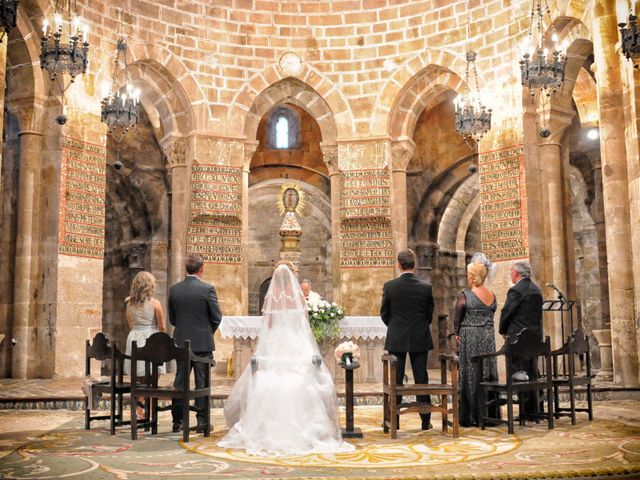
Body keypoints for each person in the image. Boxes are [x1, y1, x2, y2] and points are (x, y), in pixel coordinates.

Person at [218, 261, 354, 456]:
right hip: (296, 340)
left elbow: (269, 323)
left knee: (271, 377)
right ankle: (305, 428)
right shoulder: (297, 294)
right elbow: (304, 322)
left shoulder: (271, 296)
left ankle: (264, 428)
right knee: (300, 378)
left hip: (276, 340)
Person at [380, 249, 434, 430]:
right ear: (414, 265)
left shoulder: (390, 286)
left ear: (399, 264)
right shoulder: (425, 287)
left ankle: (394, 422)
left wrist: (396, 327)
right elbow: (429, 315)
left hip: (397, 338)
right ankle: (425, 421)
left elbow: (384, 314)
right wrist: (418, 327)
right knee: (422, 379)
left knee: (396, 380)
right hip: (420, 337)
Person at [168, 253, 222, 433]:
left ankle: (178, 422)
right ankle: (202, 422)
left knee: (180, 382)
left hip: (181, 343)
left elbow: (173, 319)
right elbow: (217, 317)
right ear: (202, 269)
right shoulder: (207, 289)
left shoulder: (174, 290)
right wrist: (207, 332)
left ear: (186, 269)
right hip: (202, 344)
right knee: (202, 384)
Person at [453, 261, 499, 427]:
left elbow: (457, 318)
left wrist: (457, 333)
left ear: (472, 277)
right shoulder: (492, 295)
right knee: (487, 369)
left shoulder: (465, 295)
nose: (467, 277)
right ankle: (489, 414)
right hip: (487, 338)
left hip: (470, 338)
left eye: (468, 275)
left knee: (470, 373)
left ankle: (469, 416)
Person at [498, 260, 543, 419]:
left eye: (511, 272)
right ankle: (535, 410)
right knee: (531, 372)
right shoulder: (536, 290)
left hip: (517, 340)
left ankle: (525, 412)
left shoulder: (516, 290)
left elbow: (507, 312)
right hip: (534, 339)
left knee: (518, 373)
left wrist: (502, 330)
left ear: (516, 274)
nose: (511, 275)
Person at [124, 271, 166, 420]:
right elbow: (162, 327)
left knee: (138, 378)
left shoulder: (129, 303)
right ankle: (148, 410)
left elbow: (131, 324)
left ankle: (137, 410)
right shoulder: (155, 303)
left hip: (134, 338)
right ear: (150, 286)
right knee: (152, 377)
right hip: (150, 338)